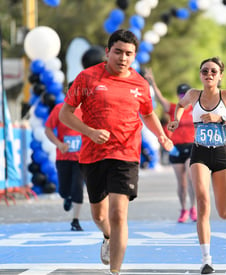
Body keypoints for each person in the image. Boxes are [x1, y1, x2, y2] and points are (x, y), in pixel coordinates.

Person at [59, 29, 173, 275]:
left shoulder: (140, 84)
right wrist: (89, 132)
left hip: (126, 154)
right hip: (93, 155)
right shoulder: (87, 78)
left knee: (118, 213)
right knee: (100, 216)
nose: (123, 58)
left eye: (129, 54)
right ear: (108, 52)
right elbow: (65, 114)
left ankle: (115, 272)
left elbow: (148, 113)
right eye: (118, 52)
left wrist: (161, 134)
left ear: (134, 56)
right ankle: (107, 236)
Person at [167, 56, 226, 274]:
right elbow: (180, 105)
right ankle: (206, 259)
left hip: (222, 153)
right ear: (200, 74)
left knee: (224, 213)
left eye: (213, 71)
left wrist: (222, 120)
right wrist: (176, 118)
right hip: (200, 152)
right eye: (205, 71)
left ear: (220, 75)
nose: (209, 75)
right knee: (202, 201)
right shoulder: (194, 94)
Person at [144, 68, 197, 223]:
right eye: (180, 94)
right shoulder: (174, 108)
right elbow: (160, 99)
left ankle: (193, 207)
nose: (182, 97)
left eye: (185, 94)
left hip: (192, 146)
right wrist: (152, 83)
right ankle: (183, 209)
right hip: (176, 148)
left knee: (190, 177)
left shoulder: (196, 109)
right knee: (181, 182)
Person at [45, 102, 84, 231]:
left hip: (81, 158)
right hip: (63, 157)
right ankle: (66, 197)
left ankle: (75, 220)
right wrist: (59, 144)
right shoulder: (59, 109)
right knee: (64, 190)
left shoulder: (88, 109)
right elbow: (48, 129)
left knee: (78, 188)